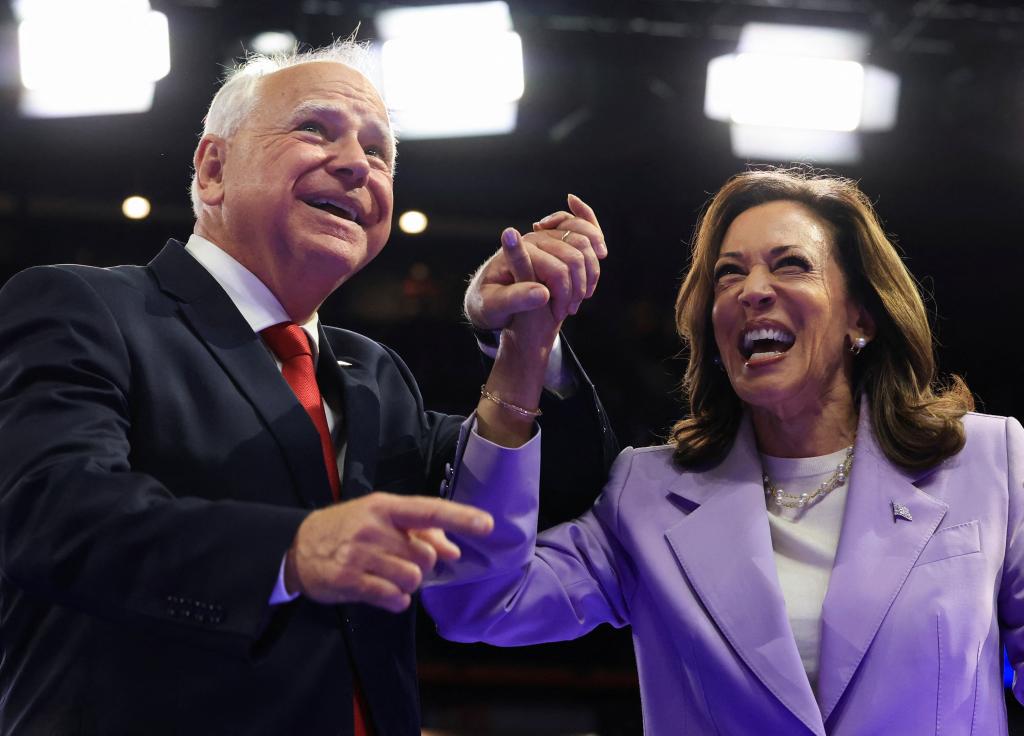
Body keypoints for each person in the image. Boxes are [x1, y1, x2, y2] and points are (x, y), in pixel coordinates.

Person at [0, 39, 616, 734]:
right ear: (212, 169)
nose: (358, 164)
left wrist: (524, 347)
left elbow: (551, 503)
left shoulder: (376, 376)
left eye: (379, 152)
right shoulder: (83, 309)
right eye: (314, 128)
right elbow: (52, 518)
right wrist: (291, 551)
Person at [422, 167, 1024, 735]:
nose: (752, 291)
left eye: (791, 265)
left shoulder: (990, 463)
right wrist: (523, 351)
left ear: (860, 318)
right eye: (729, 274)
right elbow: (479, 601)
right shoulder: (649, 494)